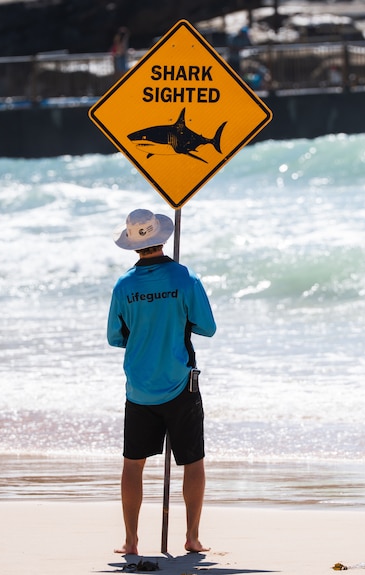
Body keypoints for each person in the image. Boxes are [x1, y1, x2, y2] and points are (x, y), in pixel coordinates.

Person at [107, 208, 217, 556]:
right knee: (193, 461)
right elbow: (207, 327)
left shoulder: (124, 285)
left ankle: (130, 540)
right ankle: (193, 537)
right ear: (162, 239)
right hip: (180, 384)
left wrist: (145, 333)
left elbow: (115, 337)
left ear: (134, 245)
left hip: (139, 387)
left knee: (133, 464)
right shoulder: (185, 278)